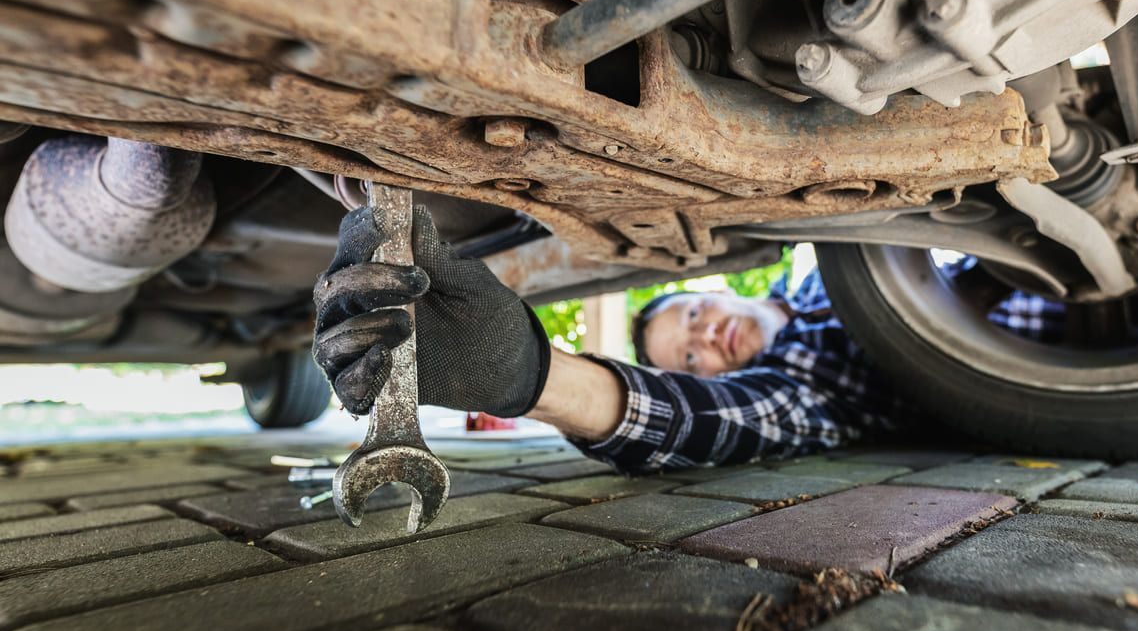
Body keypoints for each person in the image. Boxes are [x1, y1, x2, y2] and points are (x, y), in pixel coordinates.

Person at [312, 206, 915, 471]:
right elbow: (705, 419)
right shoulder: (800, 393)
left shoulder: (821, 274)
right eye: (689, 355)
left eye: (697, 313)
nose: (707, 333)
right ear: (707, 379)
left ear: (725, 292)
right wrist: (527, 374)